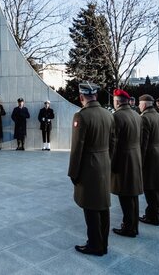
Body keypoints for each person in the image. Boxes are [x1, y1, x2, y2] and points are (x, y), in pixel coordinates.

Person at [68, 82, 115, 256]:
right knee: (103, 205)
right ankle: (103, 243)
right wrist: (108, 160)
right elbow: (113, 142)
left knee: (90, 207)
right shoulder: (108, 114)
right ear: (95, 95)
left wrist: (73, 172)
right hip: (104, 163)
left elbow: (77, 148)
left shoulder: (81, 116)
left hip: (89, 166)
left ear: (82, 97)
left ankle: (95, 245)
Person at [111, 89, 143, 238]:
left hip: (123, 159)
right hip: (135, 156)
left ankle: (129, 227)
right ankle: (133, 225)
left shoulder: (117, 116)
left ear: (117, 102)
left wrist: (111, 164)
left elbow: (114, 143)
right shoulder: (136, 115)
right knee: (132, 194)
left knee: (124, 194)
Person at [138, 94, 159, 226]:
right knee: (158, 187)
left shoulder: (144, 118)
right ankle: (156, 214)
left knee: (150, 187)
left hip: (150, 154)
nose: (139, 106)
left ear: (144, 104)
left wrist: (140, 161)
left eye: (139, 104)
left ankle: (152, 216)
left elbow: (143, 143)